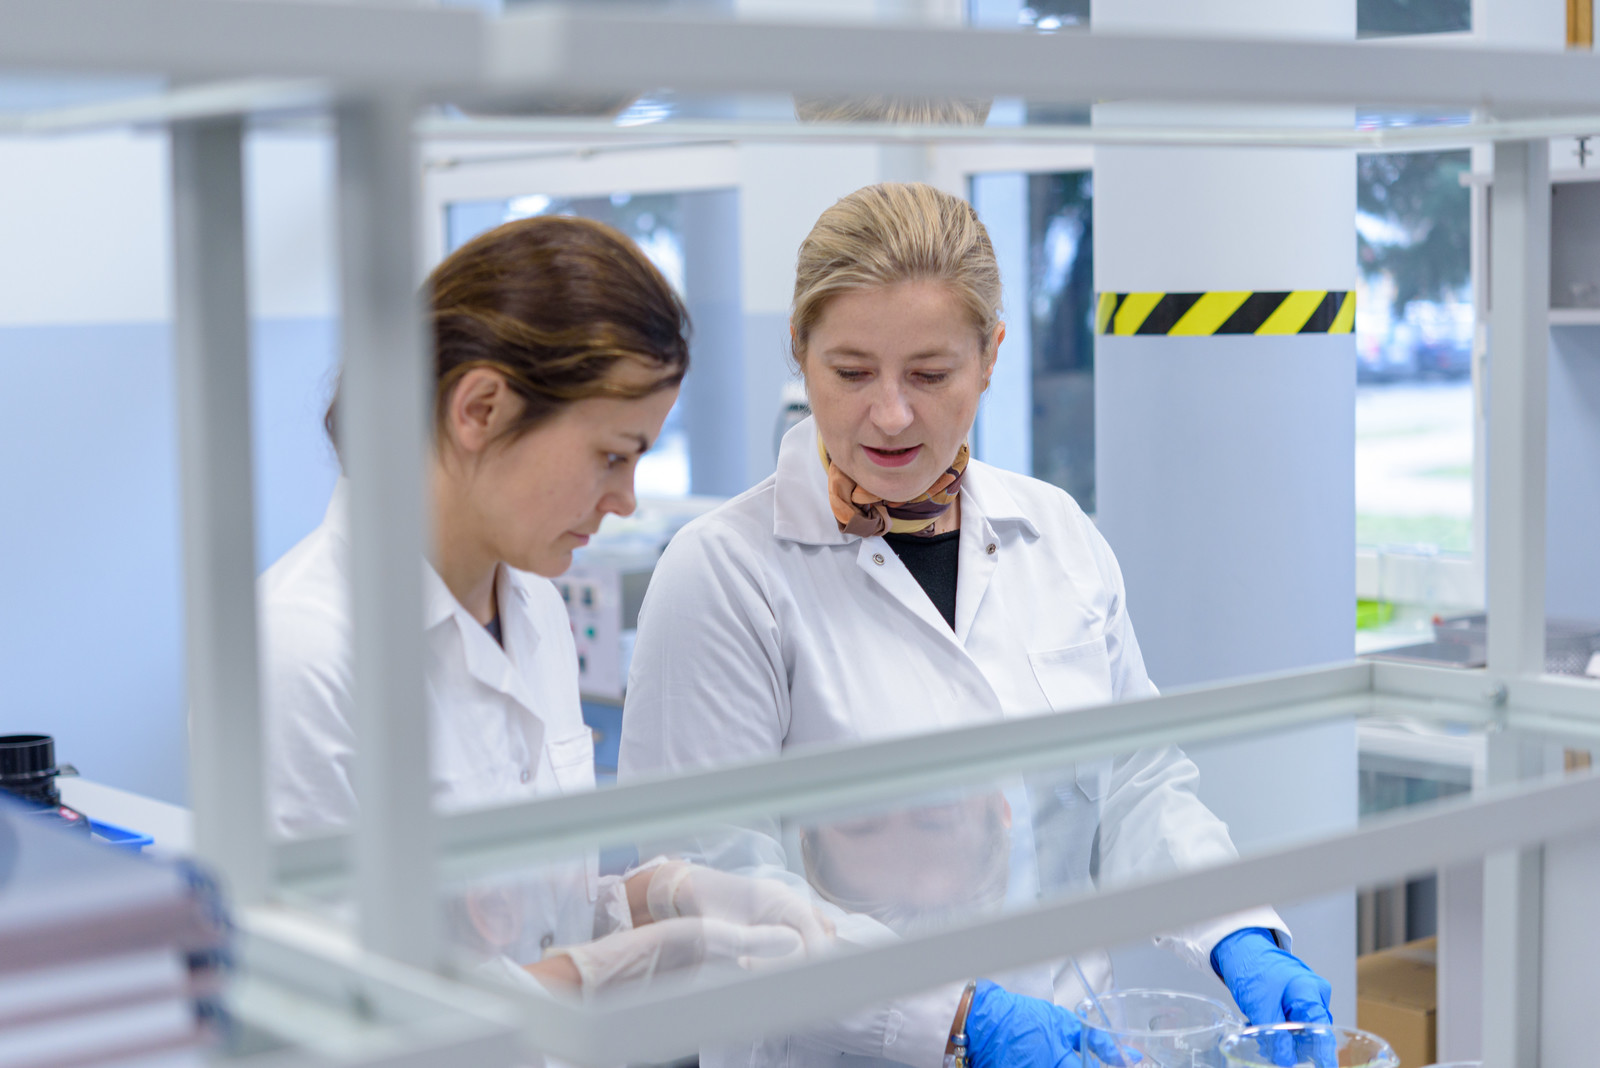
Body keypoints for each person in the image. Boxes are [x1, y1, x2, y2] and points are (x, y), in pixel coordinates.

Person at [619, 183, 1332, 1066]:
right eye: (851, 372)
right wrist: (958, 1018)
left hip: (1075, 1043)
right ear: (799, 350)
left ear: (991, 356)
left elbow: (1133, 781)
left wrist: (1236, 930)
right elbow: (714, 891)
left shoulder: (1055, 532)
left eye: (930, 374)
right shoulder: (724, 575)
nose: (890, 414)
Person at [261, 214, 828, 997]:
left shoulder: (532, 607)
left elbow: (533, 919)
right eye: (611, 455)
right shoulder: (301, 656)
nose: (626, 500)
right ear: (481, 410)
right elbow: (335, 1008)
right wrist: (588, 975)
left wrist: (661, 900)